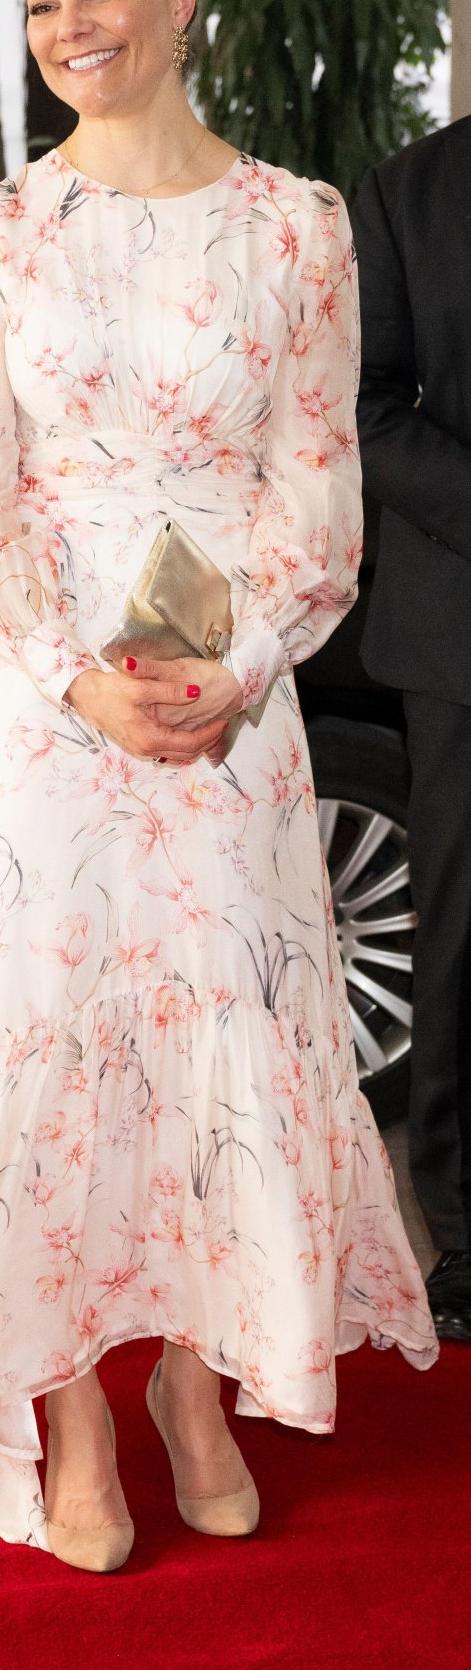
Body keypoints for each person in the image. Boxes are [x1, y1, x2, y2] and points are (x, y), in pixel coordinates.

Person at [0, 0, 436, 1571]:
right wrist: (67, 668)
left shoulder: (298, 226)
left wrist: (240, 661)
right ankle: (71, 1407)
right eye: (42, 7)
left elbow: (319, 479)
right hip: (43, 714)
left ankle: (195, 1380)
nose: (69, 30)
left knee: (215, 1046)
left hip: (230, 703)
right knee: (42, 1049)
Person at [351, 118, 471, 1341]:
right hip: (464, 641)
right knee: (464, 952)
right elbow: (367, 406)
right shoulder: (409, 192)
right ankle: (469, 1246)